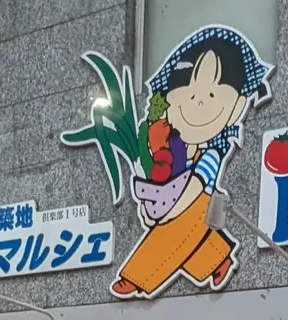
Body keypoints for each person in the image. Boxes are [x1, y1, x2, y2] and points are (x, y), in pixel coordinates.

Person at [109, 28, 271, 297]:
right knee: (187, 230)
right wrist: (154, 208)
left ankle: (137, 275)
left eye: (212, 95)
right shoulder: (174, 148)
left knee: (178, 226)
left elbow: (196, 186)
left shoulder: (211, 155)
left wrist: (166, 214)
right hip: (179, 202)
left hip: (197, 202)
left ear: (236, 107)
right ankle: (217, 258)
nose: (198, 102)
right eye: (190, 94)